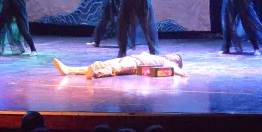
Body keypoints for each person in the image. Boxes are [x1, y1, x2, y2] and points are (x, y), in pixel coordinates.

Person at [53, 52, 185, 80]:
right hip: (129, 59)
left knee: (114, 68)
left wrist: (181, 72)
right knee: (103, 63)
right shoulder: (159, 57)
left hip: (135, 64)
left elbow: (176, 70)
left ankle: (95, 74)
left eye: (175, 56)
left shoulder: (170, 63)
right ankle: (69, 69)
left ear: (177, 61)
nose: (171, 55)